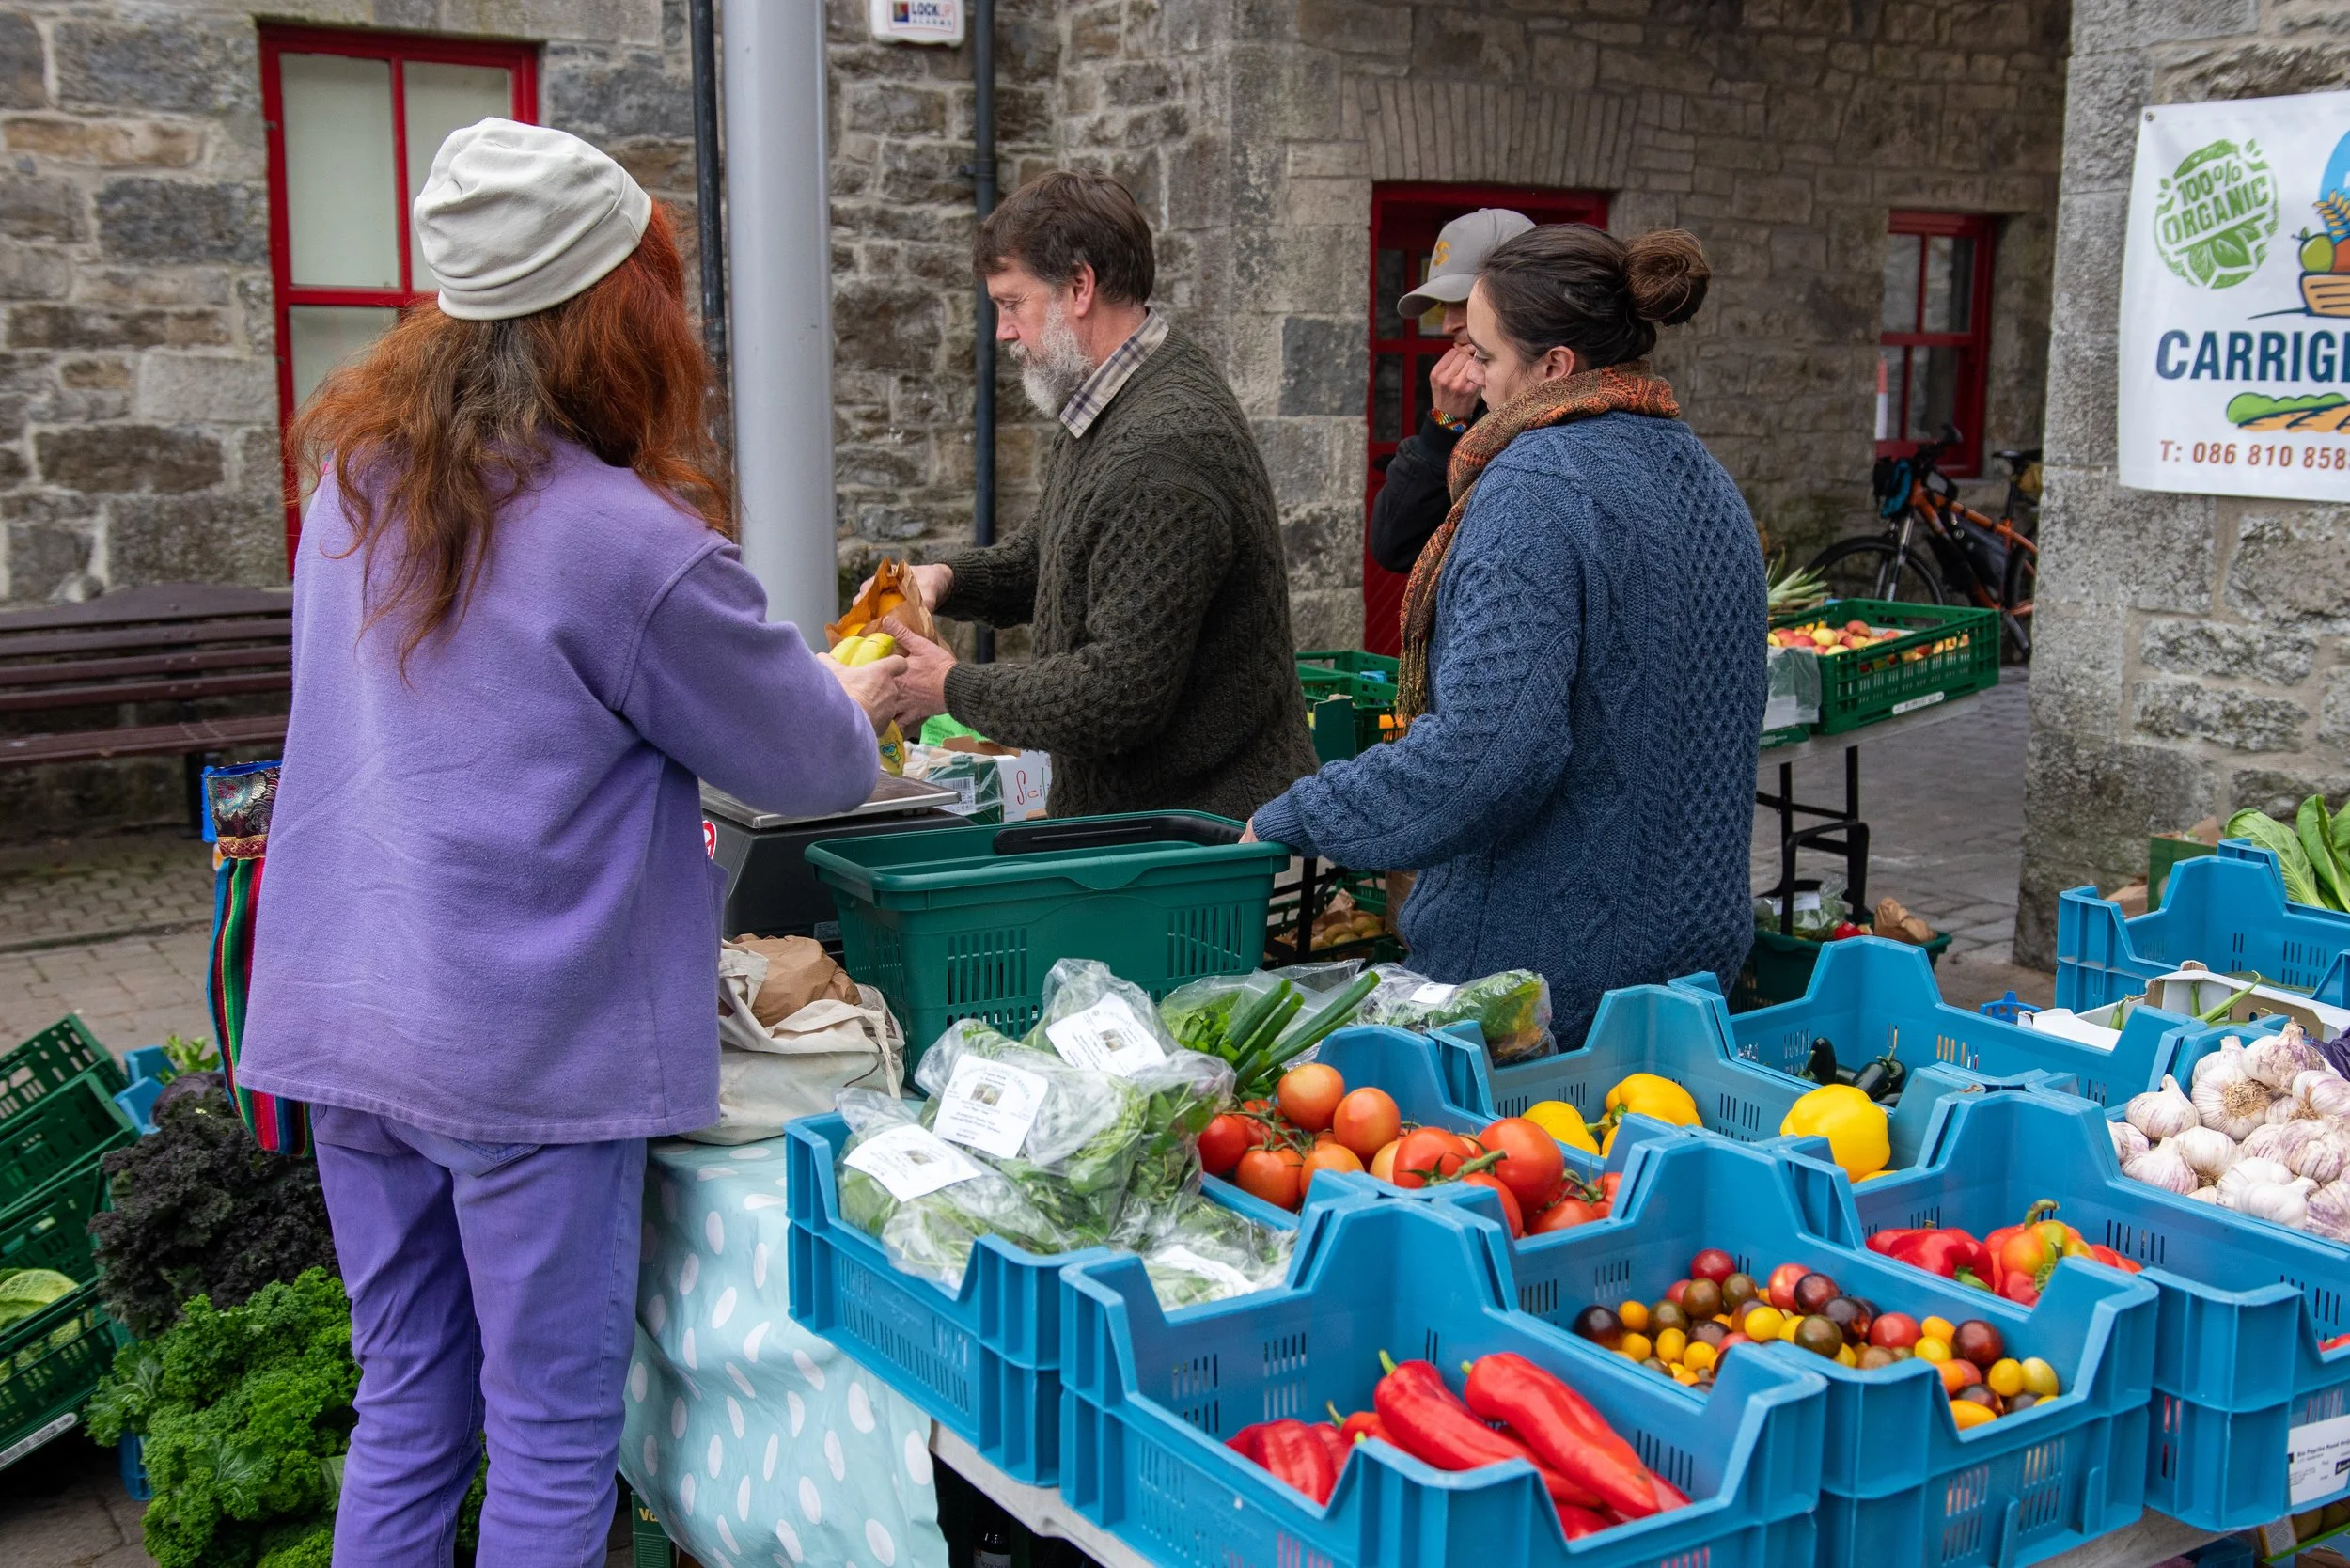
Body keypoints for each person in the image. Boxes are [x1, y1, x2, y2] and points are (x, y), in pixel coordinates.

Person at [234, 120, 899, 1568]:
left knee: (407, 1400)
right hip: (517, 1050)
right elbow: (819, 759)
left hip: (346, 1018)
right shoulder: (624, 542)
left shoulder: (353, 486)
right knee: (548, 1436)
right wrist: (853, 683)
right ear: (618, 316)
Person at [1246, 225, 1766, 1045]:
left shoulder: (1533, 485)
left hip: (1544, 979)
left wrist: (1297, 817)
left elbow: (1486, 754)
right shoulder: (1706, 478)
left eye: (1484, 358)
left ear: (1554, 367)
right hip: (1695, 956)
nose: (1471, 383)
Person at [872, 169, 1318, 823]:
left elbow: (1119, 692)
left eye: (1012, 303)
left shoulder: (1163, 448)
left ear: (1079, 287)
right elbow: (1054, 556)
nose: (1002, 331)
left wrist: (950, 687)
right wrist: (944, 578)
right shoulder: (1113, 397)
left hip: (1200, 844)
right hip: (1152, 832)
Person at [1369, 208, 1533, 575]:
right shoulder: (1469, 400)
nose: (1446, 325)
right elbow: (1393, 546)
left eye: (1462, 302)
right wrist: (1445, 425)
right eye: (1444, 307)